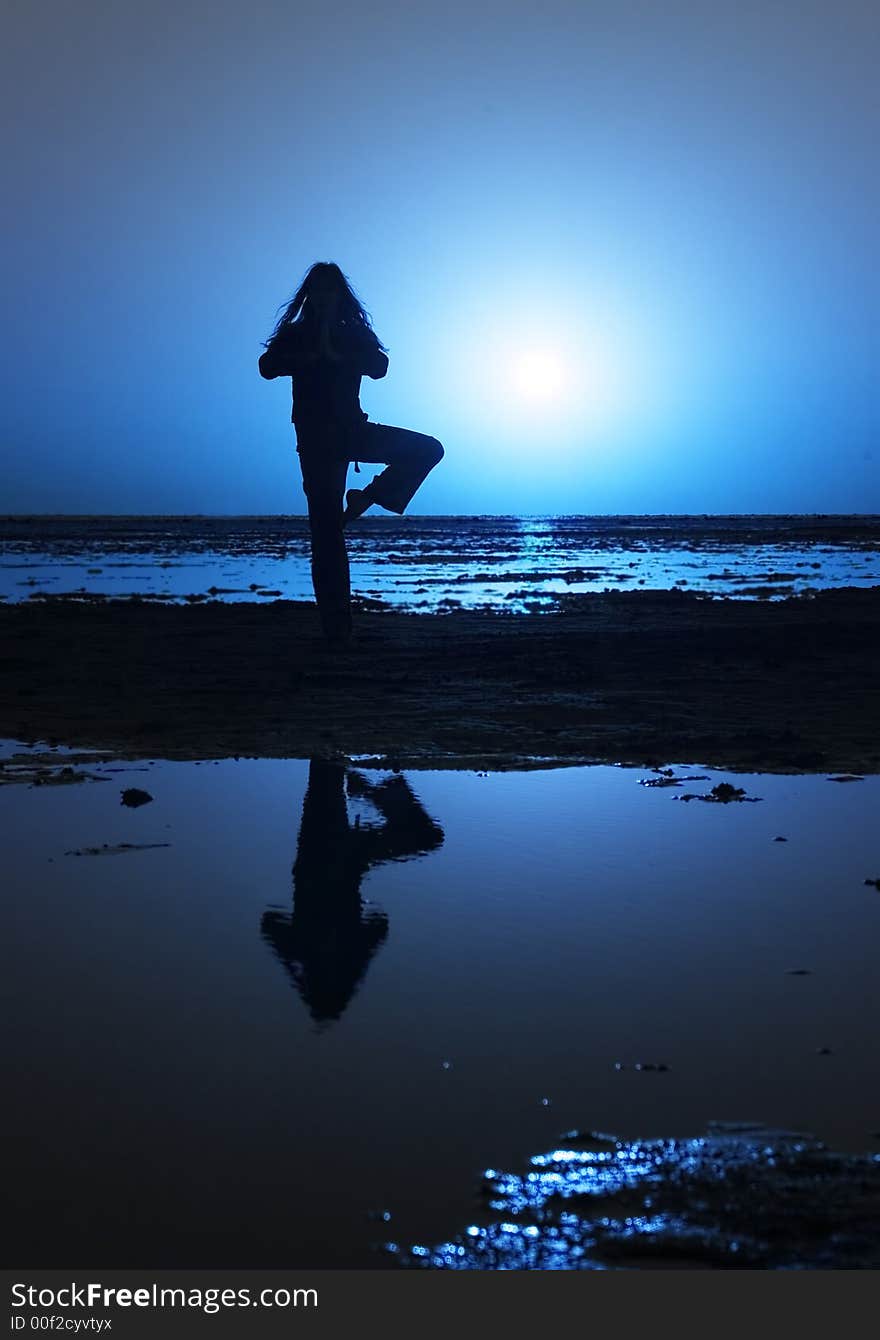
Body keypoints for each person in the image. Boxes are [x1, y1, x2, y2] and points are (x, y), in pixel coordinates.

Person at [259, 262, 444, 648]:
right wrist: (308, 356)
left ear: (340, 296)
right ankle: (337, 631)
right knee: (326, 535)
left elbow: (380, 366)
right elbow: (267, 366)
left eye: (332, 291)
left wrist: (341, 353)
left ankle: (370, 496)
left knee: (427, 448)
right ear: (310, 297)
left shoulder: (353, 334)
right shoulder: (297, 335)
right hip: (315, 442)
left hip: (354, 431)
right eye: (319, 291)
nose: (325, 298)